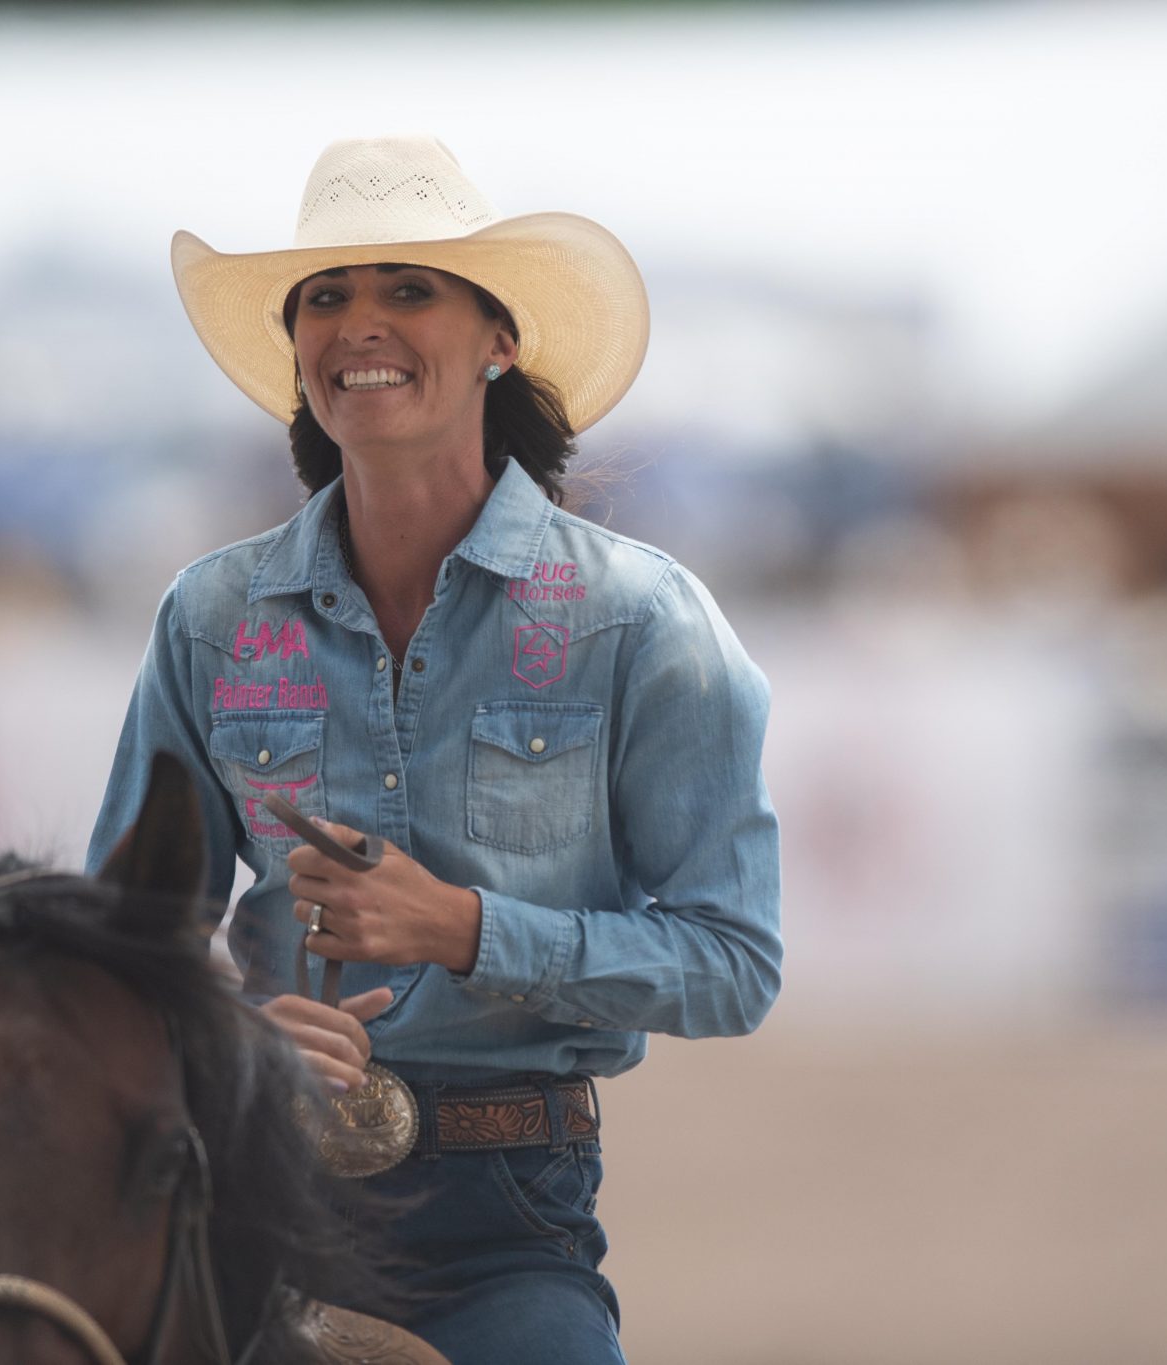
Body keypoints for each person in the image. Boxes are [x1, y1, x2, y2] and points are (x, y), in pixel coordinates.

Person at [86, 135, 783, 1364]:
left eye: (408, 287)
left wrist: (462, 928)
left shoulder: (641, 622)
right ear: (298, 348)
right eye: (327, 296)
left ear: (498, 337)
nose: (362, 322)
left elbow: (733, 965)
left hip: (510, 1220)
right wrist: (232, 1036)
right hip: (246, 1195)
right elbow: (120, 943)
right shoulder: (210, 618)